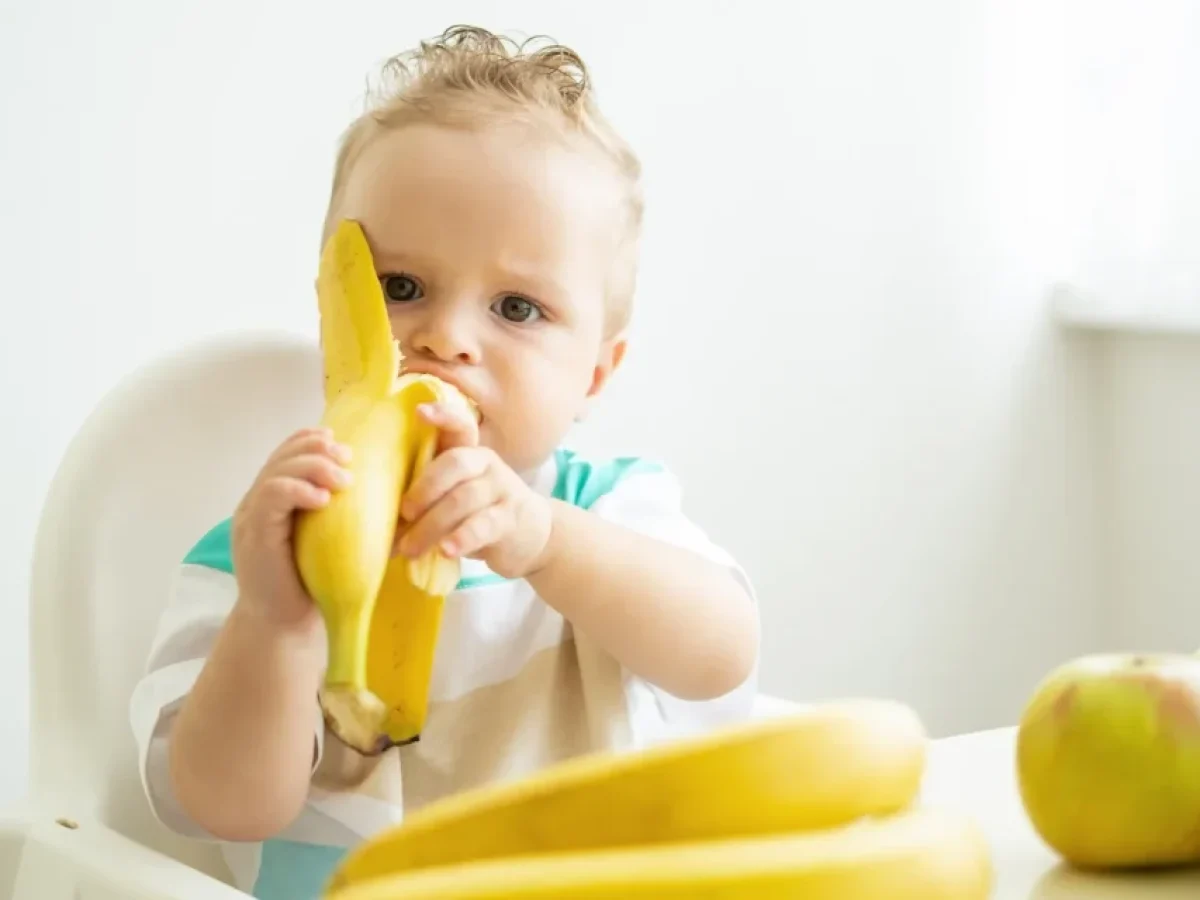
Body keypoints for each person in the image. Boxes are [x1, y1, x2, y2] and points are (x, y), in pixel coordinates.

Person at [129, 24, 760, 899]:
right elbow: (226, 809)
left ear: (596, 373)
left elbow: (722, 656)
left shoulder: (605, 513)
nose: (445, 339)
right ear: (331, 308)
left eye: (516, 306)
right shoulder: (263, 555)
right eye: (400, 288)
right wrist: (276, 626)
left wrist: (546, 543)